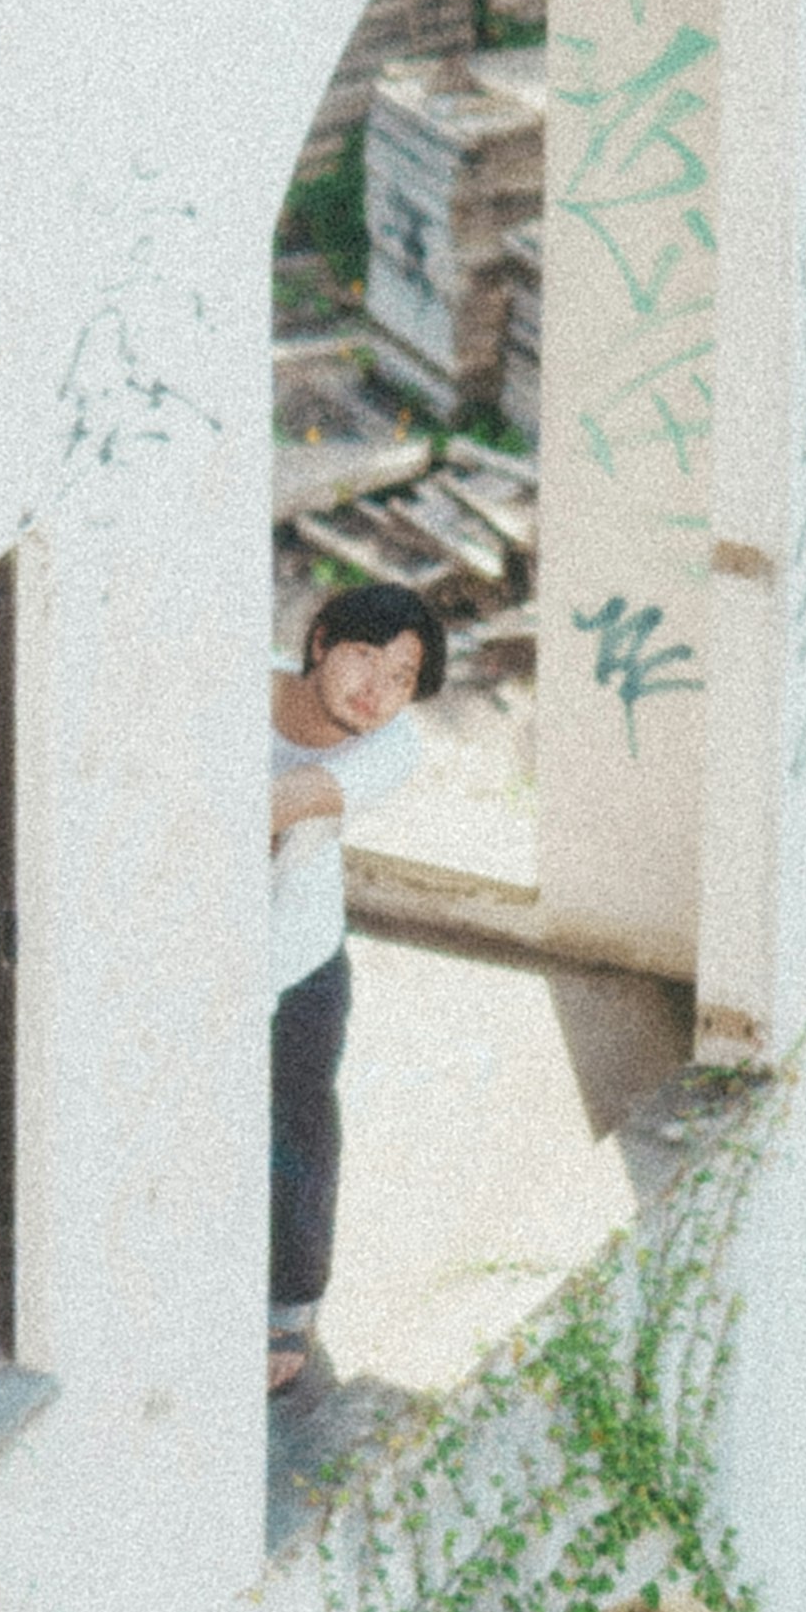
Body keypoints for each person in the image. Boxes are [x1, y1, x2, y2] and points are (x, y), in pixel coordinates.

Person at [269, 579, 445, 1392]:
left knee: (296, 1141)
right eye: (365, 660)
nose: (378, 692)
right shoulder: (242, 682)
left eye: (403, 678)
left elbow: (288, 800)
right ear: (319, 644)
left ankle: (287, 1310)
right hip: (194, 958)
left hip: (297, 965)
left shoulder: (393, 747)